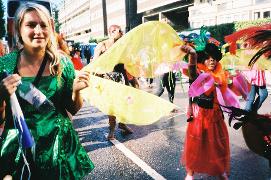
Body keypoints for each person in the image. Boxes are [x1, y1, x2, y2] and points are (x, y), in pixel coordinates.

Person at [0, 3, 94, 179]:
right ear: (19, 28)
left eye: (43, 25)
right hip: (21, 150)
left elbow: (72, 109)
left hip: (58, 150)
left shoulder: (62, 64)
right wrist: (1, 95)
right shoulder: (5, 65)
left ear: (50, 28)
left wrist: (76, 91)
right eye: (30, 25)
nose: (38, 31)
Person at [180, 43, 230, 180]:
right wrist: (193, 55)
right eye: (208, 58)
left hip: (216, 116)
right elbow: (191, 70)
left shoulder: (221, 75)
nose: (212, 60)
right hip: (200, 116)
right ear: (203, 60)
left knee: (218, 146)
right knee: (196, 145)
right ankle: (190, 173)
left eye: (214, 58)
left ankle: (221, 171)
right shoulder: (199, 74)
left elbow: (226, 95)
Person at [93, 24, 133, 140]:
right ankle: (112, 128)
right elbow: (95, 62)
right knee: (111, 104)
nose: (118, 32)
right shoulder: (102, 45)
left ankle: (122, 123)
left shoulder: (122, 45)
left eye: (120, 31)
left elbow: (128, 62)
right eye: (115, 31)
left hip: (121, 77)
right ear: (110, 32)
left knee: (125, 102)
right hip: (108, 79)